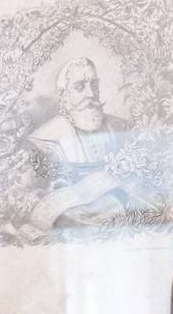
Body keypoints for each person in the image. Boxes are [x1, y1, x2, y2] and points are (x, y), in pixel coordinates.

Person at [23, 57, 139, 232]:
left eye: (94, 85)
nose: (90, 94)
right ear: (64, 95)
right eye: (79, 87)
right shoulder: (45, 137)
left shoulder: (121, 127)